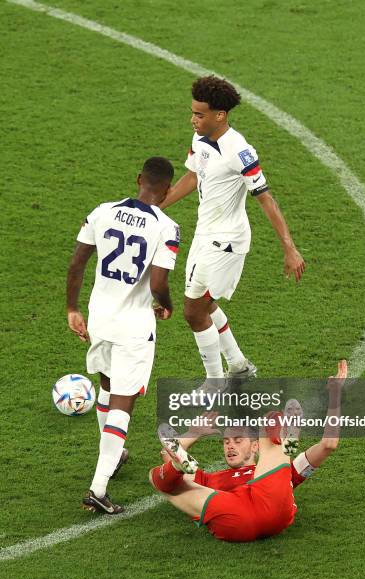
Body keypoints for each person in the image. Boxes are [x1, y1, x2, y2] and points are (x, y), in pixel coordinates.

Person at [159, 75, 305, 387]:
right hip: (204, 235)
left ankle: (215, 384)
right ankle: (238, 365)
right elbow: (192, 175)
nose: (193, 119)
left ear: (220, 115)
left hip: (226, 242)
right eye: (193, 112)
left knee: (193, 312)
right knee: (204, 304)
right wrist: (157, 206)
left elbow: (266, 199)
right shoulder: (200, 139)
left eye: (199, 114)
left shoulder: (239, 151)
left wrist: (289, 248)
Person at [67, 156, 179, 514]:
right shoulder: (166, 227)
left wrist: (73, 309)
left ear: (138, 180)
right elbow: (159, 283)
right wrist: (165, 304)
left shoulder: (102, 212)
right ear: (166, 192)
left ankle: (112, 459)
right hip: (134, 328)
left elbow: (76, 264)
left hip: (100, 318)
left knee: (108, 386)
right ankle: (98, 488)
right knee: (123, 404)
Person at [149, 360, 347, 542]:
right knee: (162, 480)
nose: (230, 445)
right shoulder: (209, 479)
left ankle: (285, 439)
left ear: (254, 446)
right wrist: (193, 432)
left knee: (270, 420)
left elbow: (328, 444)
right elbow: (166, 455)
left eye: (237, 440)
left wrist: (335, 394)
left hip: (255, 508)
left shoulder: (289, 472)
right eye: (225, 441)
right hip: (238, 513)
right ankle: (287, 439)